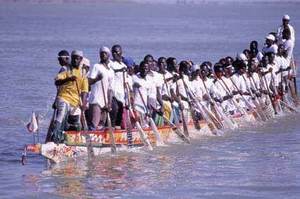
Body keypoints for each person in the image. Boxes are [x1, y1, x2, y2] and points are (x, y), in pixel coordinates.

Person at [49, 50, 89, 143]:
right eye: (74, 58)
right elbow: (57, 82)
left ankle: (74, 141)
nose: (75, 60)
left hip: (75, 101)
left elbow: (85, 91)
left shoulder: (83, 73)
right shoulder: (66, 69)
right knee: (61, 114)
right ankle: (55, 138)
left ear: (81, 60)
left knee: (76, 122)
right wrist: (68, 79)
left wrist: (83, 104)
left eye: (77, 59)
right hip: (64, 97)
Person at [87, 46, 114, 130]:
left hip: (105, 101)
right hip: (96, 99)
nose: (103, 55)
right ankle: (90, 138)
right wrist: (97, 79)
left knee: (102, 123)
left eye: (105, 53)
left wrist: (109, 103)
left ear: (109, 55)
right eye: (101, 53)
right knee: (94, 122)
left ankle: (99, 140)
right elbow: (89, 82)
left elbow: (110, 89)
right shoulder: (96, 66)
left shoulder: (111, 71)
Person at [110, 44, 128, 129]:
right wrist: (119, 70)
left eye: (117, 52)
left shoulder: (124, 66)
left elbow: (126, 82)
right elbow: (111, 71)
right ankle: (111, 128)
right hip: (113, 93)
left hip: (121, 94)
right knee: (114, 110)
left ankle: (117, 129)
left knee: (120, 113)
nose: (115, 54)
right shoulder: (110, 63)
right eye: (113, 52)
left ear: (121, 53)